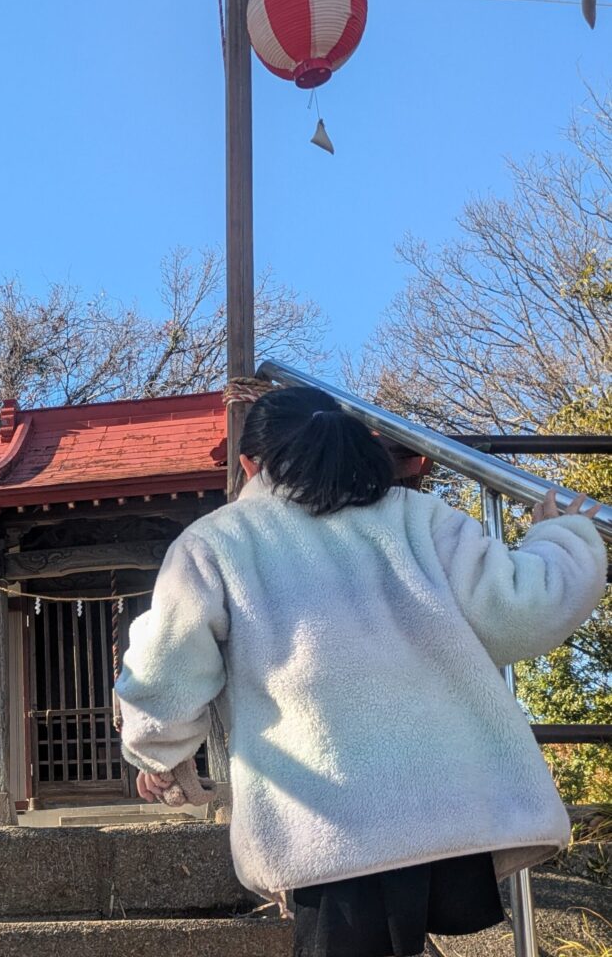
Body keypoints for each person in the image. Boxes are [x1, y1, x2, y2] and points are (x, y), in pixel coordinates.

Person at [115, 386, 607, 957]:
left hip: (326, 816)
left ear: (250, 464)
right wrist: (560, 535)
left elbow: (168, 659)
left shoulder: (219, 540)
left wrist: (159, 753)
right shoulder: (419, 517)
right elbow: (523, 610)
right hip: (447, 803)